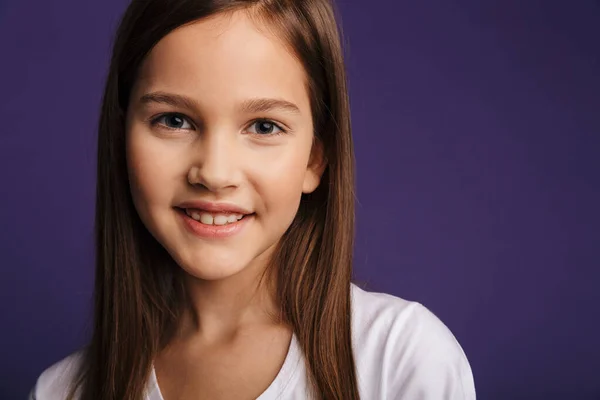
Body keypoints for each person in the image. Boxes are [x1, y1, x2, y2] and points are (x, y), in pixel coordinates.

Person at [29, 0, 476, 399]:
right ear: (123, 137)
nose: (215, 173)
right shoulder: (62, 391)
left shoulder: (402, 360)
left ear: (315, 159)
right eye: (174, 120)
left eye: (264, 126)